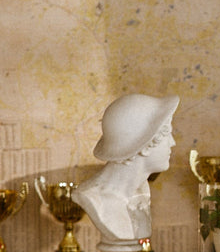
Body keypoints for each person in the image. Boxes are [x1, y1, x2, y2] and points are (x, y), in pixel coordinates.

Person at [73, 93, 179, 243]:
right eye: (167, 134)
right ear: (144, 146)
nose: (173, 143)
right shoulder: (95, 199)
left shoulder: (141, 193)